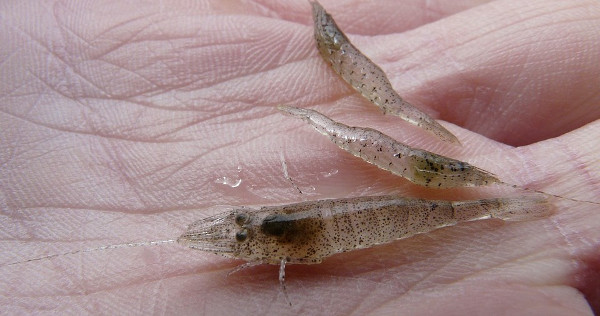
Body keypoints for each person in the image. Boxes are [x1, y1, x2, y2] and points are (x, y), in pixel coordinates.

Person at [1, 0, 598, 314]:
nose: (230, 235)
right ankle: (509, 205)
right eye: (237, 236)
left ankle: (504, 207)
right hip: (360, 212)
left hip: (375, 212)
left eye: (236, 238)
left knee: (449, 207)